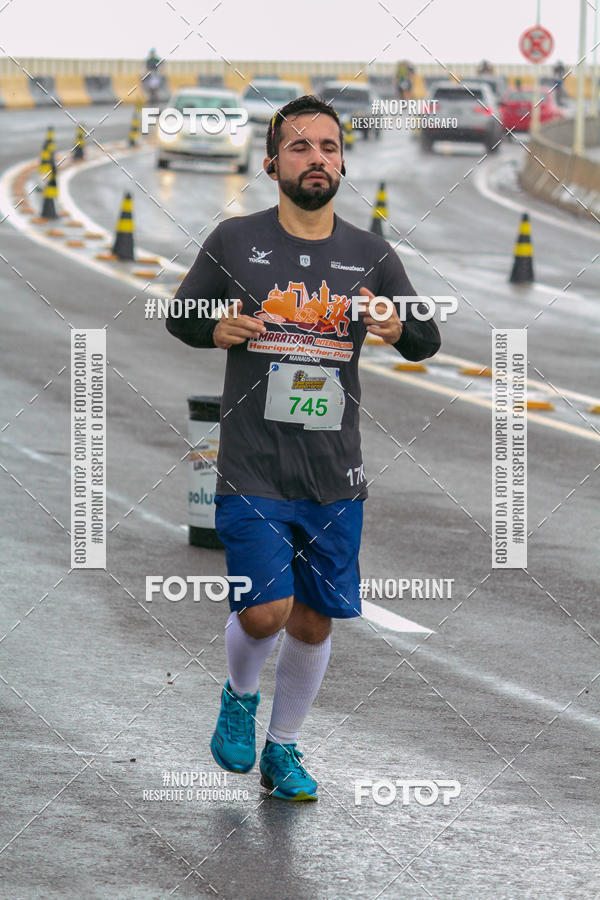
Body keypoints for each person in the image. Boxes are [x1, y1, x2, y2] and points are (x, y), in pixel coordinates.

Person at [165, 95, 441, 801]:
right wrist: (215, 328)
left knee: (314, 621)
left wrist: (395, 324)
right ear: (271, 163)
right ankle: (239, 695)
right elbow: (183, 314)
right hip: (253, 460)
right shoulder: (234, 240)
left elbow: (427, 339)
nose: (316, 158)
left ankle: (282, 751)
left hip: (334, 472)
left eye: (328, 146)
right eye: (300, 147)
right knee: (266, 611)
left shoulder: (370, 253)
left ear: (342, 161)